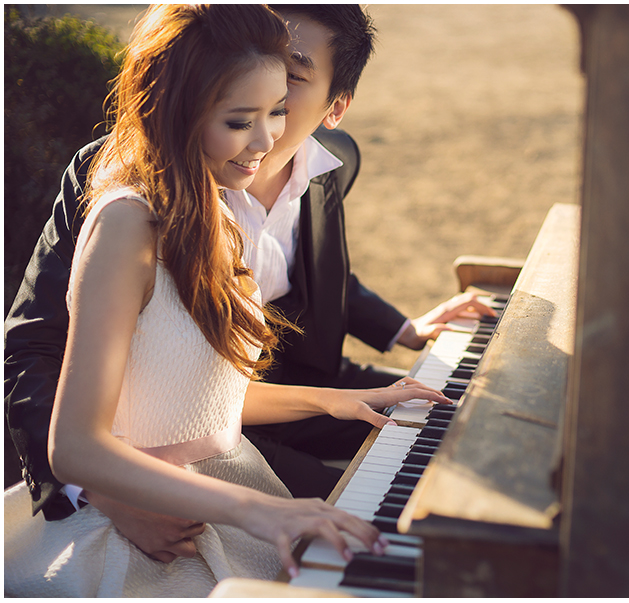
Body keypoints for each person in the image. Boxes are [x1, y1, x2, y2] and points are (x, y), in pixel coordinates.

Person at [4, 4, 488, 563]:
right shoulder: (126, 210)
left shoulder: (248, 191)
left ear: (335, 105)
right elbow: (42, 362)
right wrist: (112, 495)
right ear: (184, 104)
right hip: (173, 468)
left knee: (450, 440)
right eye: (239, 118)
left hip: (245, 418)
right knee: (375, 540)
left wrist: (347, 390)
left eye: (281, 103)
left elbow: (204, 381)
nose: (263, 138)